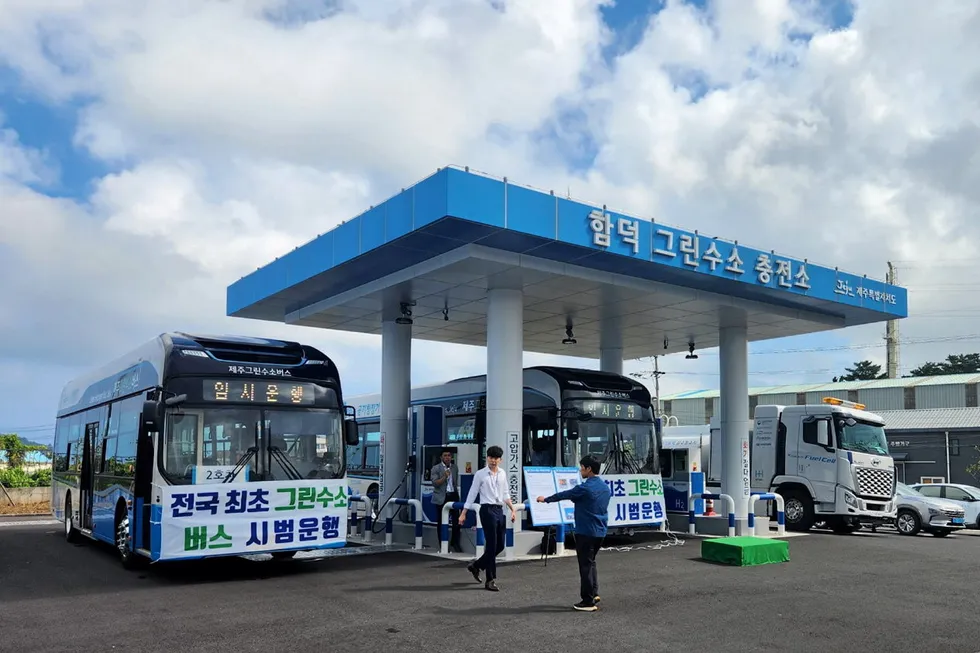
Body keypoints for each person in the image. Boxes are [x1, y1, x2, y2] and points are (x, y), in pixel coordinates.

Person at [537, 455, 611, 611]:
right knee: (591, 562)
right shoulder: (605, 487)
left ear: (589, 469)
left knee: (585, 565)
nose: (580, 470)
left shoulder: (584, 488)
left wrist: (545, 499)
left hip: (585, 531)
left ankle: (588, 601)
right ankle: (594, 593)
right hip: (601, 531)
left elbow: (564, 494)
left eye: (582, 467)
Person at [459, 445, 516, 591]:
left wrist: (512, 509)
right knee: (491, 546)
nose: (493, 461)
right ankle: (490, 580)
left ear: (500, 460)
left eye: (496, 458)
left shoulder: (502, 473)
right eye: (491, 458)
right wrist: (464, 512)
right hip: (487, 510)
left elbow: (505, 493)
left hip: (499, 509)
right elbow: (472, 493)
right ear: (487, 458)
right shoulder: (480, 474)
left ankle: (476, 566)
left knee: (500, 546)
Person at [430, 449, 461, 552]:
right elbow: (435, 483)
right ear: (441, 457)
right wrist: (444, 476)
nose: (447, 457)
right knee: (442, 521)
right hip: (442, 497)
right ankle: (442, 543)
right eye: (445, 455)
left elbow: (455, 482)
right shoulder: (436, 468)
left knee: (457, 520)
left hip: (453, 495)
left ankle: (454, 542)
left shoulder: (454, 467)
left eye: (449, 455)